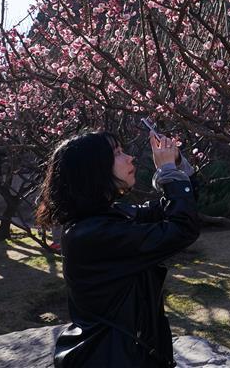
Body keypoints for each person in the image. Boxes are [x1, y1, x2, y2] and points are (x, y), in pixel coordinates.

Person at [36, 130, 199, 368]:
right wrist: (166, 172)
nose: (130, 157)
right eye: (117, 153)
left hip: (127, 352)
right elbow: (182, 229)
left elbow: (178, 208)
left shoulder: (106, 217)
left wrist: (176, 166)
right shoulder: (93, 234)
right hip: (113, 357)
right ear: (94, 169)